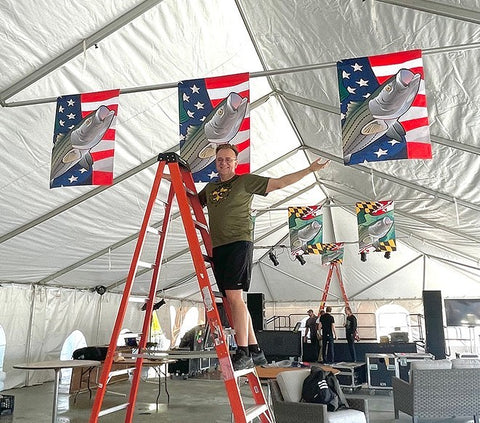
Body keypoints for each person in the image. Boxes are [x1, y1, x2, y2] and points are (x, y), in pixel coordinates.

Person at [198, 144, 329, 370]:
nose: (224, 163)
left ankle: (243, 351)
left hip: (238, 242)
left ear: (236, 162)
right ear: (215, 162)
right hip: (219, 247)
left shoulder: (245, 181)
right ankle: (255, 350)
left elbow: (280, 182)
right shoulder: (210, 188)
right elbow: (193, 200)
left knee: (235, 298)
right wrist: (174, 176)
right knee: (233, 299)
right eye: (220, 160)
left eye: (228, 159)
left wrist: (310, 170)